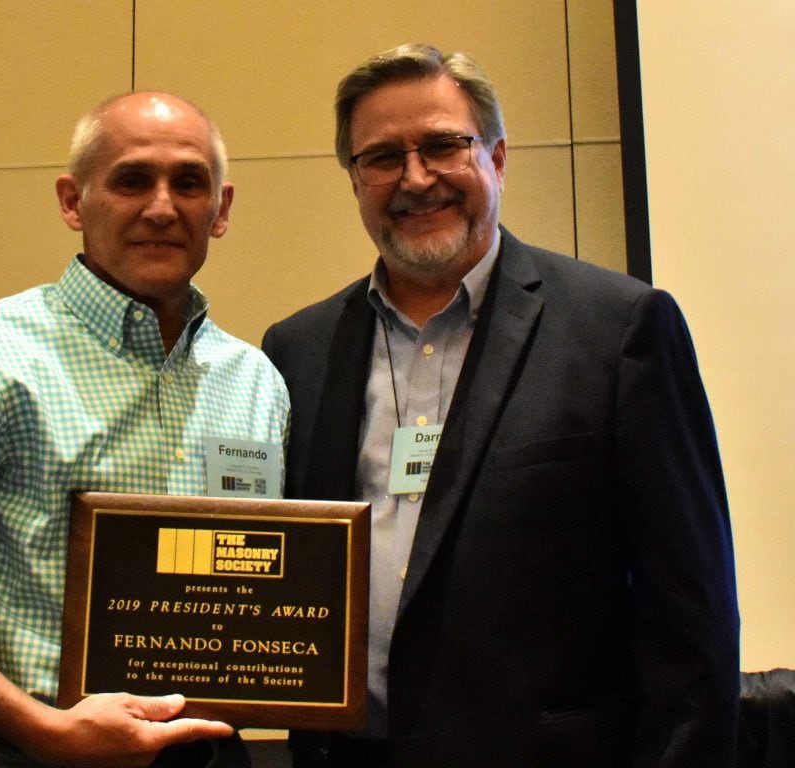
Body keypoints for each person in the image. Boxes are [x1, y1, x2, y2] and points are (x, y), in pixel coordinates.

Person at [261, 44, 739, 767]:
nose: (414, 178)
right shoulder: (298, 348)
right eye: (382, 157)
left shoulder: (619, 329)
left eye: (443, 146)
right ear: (354, 181)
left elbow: (690, 617)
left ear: (498, 157)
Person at [0, 92, 289, 768]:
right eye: (132, 179)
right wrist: (47, 730)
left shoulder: (255, 380)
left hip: (212, 755)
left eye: (189, 182)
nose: (162, 206)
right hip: (25, 756)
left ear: (220, 211)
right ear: (73, 201)